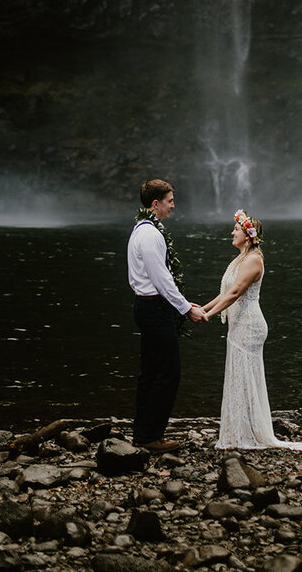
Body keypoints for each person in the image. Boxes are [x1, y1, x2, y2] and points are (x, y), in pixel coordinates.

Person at [203, 209, 302, 450]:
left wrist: (207, 316)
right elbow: (225, 292)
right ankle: (239, 429)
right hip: (239, 325)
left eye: (236, 229)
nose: (231, 232)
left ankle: (247, 432)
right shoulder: (240, 259)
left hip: (249, 325)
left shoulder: (253, 260)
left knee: (245, 376)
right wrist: (198, 308)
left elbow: (236, 293)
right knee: (238, 376)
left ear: (247, 235)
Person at [127, 178, 208, 452]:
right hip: (155, 308)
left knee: (150, 372)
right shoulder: (150, 234)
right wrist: (187, 309)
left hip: (148, 306)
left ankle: (142, 433)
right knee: (167, 373)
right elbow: (161, 279)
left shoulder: (141, 229)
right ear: (155, 203)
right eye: (170, 201)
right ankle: (151, 437)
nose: (174, 206)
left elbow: (158, 280)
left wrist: (182, 301)